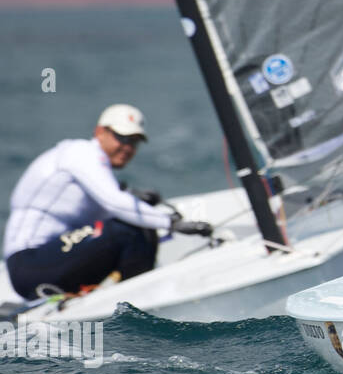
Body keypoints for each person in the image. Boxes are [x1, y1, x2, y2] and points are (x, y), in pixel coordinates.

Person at [4, 104, 213, 300]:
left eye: (134, 142)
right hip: (28, 266)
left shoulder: (92, 166)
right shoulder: (81, 153)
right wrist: (171, 223)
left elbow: (109, 206)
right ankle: (140, 304)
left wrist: (137, 200)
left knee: (137, 225)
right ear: (99, 132)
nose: (127, 147)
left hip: (50, 260)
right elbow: (115, 203)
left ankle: (133, 299)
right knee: (130, 229)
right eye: (121, 137)